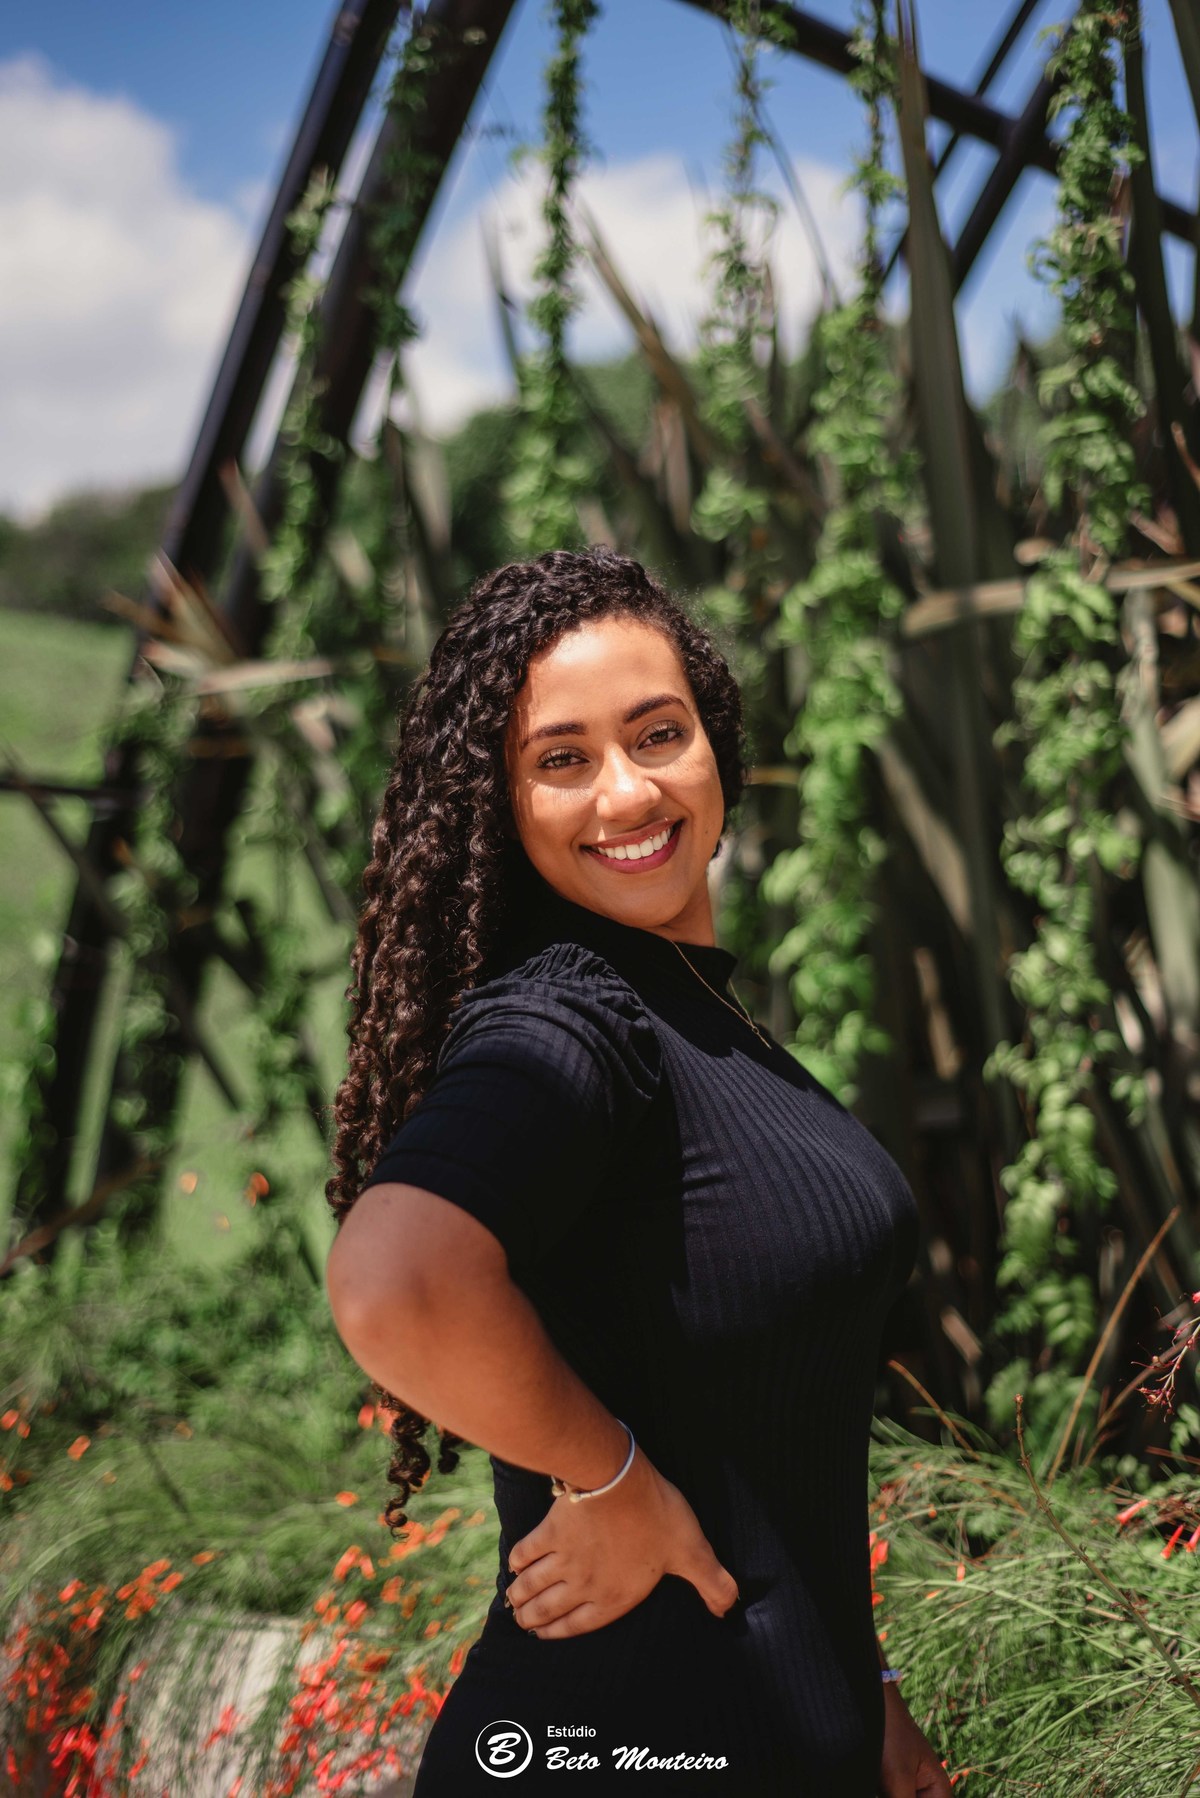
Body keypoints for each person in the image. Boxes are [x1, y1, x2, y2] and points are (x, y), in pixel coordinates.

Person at [324, 548, 950, 1795]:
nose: (625, 792)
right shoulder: (573, 1013)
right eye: (562, 759)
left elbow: (766, 1436)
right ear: (505, 804)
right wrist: (605, 1479)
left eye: (658, 733)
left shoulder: (704, 1023)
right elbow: (397, 1279)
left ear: (715, 745)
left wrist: (862, 1687)